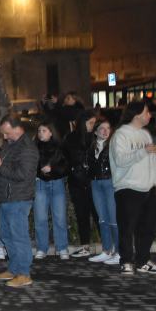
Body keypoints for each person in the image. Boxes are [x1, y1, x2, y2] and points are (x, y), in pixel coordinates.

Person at [109, 101, 156, 277]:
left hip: (148, 188)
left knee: (147, 227)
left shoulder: (146, 134)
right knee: (127, 227)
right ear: (136, 114)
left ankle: (143, 260)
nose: (149, 115)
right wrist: (143, 152)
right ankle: (126, 261)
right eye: (147, 112)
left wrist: (155, 179)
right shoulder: (121, 135)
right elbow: (121, 160)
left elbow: (152, 161)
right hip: (128, 187)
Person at [0, 115, 40, 288]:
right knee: (6, 235)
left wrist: (0, 166)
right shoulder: (9, 145)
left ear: (17, 128)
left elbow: (22, 175)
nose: (4, 136)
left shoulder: (28, 148)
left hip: (18, 199)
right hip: (6, 197)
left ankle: (24, 273)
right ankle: (14, 268)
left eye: (6, 132)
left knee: (19, 236)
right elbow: (0, 167)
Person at [63, 110, 97, 258]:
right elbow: (67, 159)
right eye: (91, 123)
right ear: (83, 123)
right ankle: (85, 246)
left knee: (99, 215)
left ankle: (111, 248)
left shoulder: (95, 137)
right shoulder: (71, 138)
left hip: (93, 181)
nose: (93, 126)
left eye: (94, 123)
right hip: (77, 182)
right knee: (82, 215)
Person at [33, 122, 69, 260]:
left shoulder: (60, 147)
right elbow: (30, 166)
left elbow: (66, 166)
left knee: (59, 217)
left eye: (44, 130)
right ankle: (42, 248)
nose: (41, 133)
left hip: (57, 183)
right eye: (39, 130)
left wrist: (52, 169)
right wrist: (39, 171)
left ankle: (62, 247)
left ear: (51, 132)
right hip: (40, 184)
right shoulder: (34, 147)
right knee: (40, 218)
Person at [88, 118, 120, 265]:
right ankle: (107, 250)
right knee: (102, 218)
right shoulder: (91, 147)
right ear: (95, 131)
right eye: (102, 128)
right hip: (95, 184)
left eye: (108, 128)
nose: (105, 131)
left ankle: (119, 252)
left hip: (109, 183)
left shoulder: (114, 146)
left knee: (113, 219)